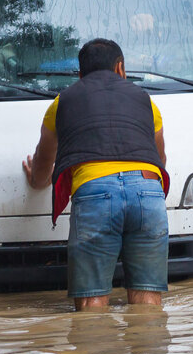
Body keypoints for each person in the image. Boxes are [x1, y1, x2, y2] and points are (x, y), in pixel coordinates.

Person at [22, 39, 169, 311]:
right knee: (149, 304)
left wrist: (37, 180)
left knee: (92, 306)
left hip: (95, 194)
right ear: (121, 69)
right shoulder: (145, 101)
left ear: (80, 75)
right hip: (148, 195)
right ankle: (150, 352)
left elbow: (44, 162)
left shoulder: (62, 102)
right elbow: (159, 160)